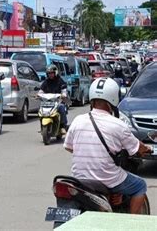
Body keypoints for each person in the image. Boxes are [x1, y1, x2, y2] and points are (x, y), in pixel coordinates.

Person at [63, 78, 152, 214]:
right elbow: (136, 148)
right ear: (114, 98)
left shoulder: (78, 120)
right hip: (107, 178)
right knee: (140, 186)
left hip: (79, 179)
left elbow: (69, 147)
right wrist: (147, 148)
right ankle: (133, 224)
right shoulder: (118, 125)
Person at [39, 64, 68, 134]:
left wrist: (63, 95)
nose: (50, 75)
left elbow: (64, 89)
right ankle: (42, 127)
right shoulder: (46, 82)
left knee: (61, 108)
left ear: (55, 73)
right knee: (40, 110)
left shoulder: (60, 81)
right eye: (49, 73)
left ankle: (62, 126)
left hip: (58, 102)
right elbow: (41, 90)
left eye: (52, 73)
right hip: (47, 102)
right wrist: (38, 95)